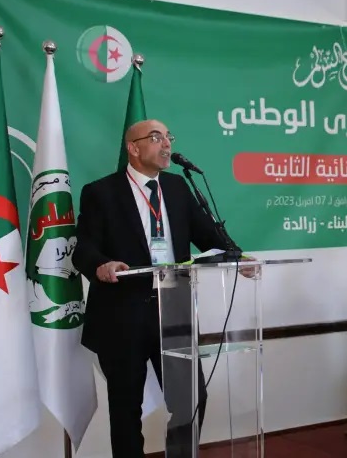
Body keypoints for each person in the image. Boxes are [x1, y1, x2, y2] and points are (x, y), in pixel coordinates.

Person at [72, 119, 244, 458]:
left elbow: (209, 236)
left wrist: (238, 256)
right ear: (133, 148)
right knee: (126, 408)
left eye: (168, 137)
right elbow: (84, 249)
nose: (166, 144)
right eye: (156, 138)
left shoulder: (178, 187)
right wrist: (101, 265)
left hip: (174, 310)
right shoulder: (101, 192)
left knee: (192, 398)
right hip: (122, 314)